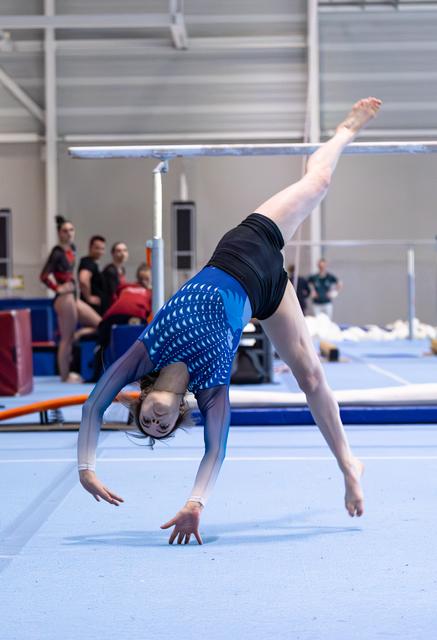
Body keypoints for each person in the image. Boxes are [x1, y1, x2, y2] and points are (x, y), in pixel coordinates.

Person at [78, 97, 382, 545]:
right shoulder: (212, 390)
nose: (157, 424)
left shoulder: (146, 352)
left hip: (245, 246)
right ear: (179, 413)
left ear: (140, 401)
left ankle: (345, 132)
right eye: (162, 429)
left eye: (147, 421)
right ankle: (348, 465)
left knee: (318, 181)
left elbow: (92, 406)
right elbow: (214, 451)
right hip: (268, 293)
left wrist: (86, 468)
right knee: (313, 378)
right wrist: (194, 502)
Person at [40, 216, 101, 382]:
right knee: (66, 338)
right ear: (59, 233)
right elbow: (44, 276)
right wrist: (57, 288)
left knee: (101, 324)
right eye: (65, 231)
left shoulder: (72, 249)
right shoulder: (57, 252)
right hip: (64, 298)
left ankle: (79, 333)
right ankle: (65, 376)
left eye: (71, 230)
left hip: (73, 297)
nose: (69, 233)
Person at [97, 263, 153, 352]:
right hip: (128, 315)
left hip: (115, 315)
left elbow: (115, 298)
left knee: (102, 338)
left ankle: (99, 353)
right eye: (141, 279)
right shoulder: (150, 292)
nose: (143, 282)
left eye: (146, 279)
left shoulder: (126, 287)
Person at [78, 235, 106, 315]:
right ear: (90, 247)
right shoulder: (88, 263)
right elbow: (83, 280)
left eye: (102, 249)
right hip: (91, 306)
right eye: (97, 248)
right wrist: (89, 298)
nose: (100, 251)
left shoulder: (93, 264)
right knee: (94, 326)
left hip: (95, 306)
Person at [101, 242, 129, 312]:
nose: (122, 253)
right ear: (113, 254)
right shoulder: (110, 270)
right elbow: (113, 295)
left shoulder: (122, 270)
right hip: (110, 307)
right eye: (119, 251)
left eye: (125, 250)